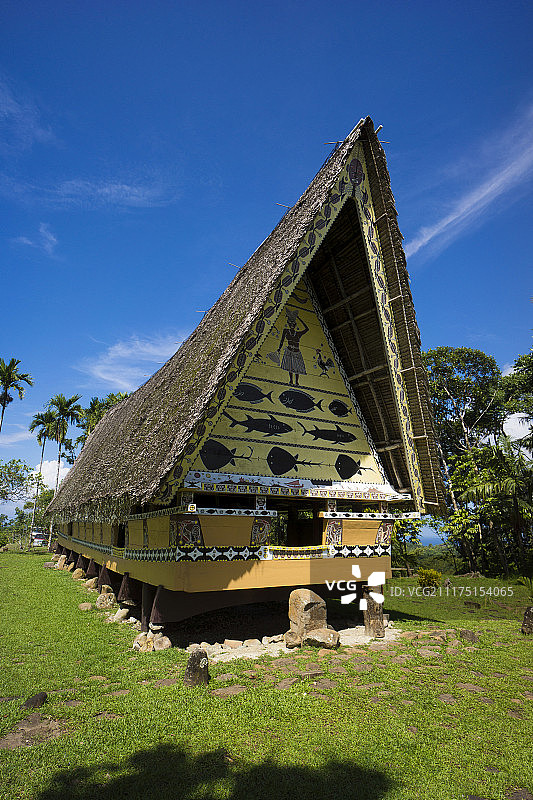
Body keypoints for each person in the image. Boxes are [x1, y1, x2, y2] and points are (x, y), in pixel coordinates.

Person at [277, 308, 309, 385]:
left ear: (295, 325)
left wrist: (299, 318)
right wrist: (279, 348)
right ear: (288, 324)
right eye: (290, 324)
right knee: (290, 367)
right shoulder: (286, 331)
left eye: (293, 324)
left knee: (297, 367)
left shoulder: (298, 334)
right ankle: (291, 380)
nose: (292, 325)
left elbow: (307, 329)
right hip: (289, 350)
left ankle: (297, 381)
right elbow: (281, 340)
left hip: (297, 352)